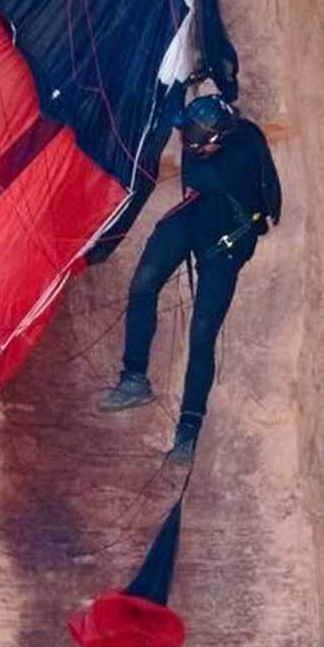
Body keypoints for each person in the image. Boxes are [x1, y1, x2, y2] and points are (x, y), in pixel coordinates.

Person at [94, 94, 280, 466]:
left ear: (220, 138)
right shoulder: (208, 141)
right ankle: (134, 378)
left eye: (198, 143)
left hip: (228, 237)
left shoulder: (242, 152)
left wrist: (241, 242)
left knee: (202, 333)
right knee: (143, 284)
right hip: (195, 213)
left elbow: (269, 205)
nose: (191, 148)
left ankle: (189, 429)